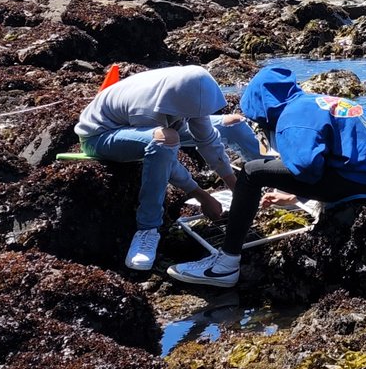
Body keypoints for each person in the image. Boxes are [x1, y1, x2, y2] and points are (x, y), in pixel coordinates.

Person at [167, 64, 366, 288]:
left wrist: (293, 181)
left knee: (252, 172)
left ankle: (226, 264)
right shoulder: (320, 101)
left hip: (358, 182)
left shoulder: (291, 118)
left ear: (263, 108)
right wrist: (294, 197)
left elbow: (307, 168)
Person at [75, 64, 247, 271]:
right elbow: (166, 160)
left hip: (151, 125)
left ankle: (261, 175)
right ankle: (147, 230)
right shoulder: (147, 109)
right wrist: (203, 196)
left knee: (231, 122)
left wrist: (236, 189)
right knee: (166, 138)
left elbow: (207, 139)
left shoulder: (187, 90)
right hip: (101, 135)